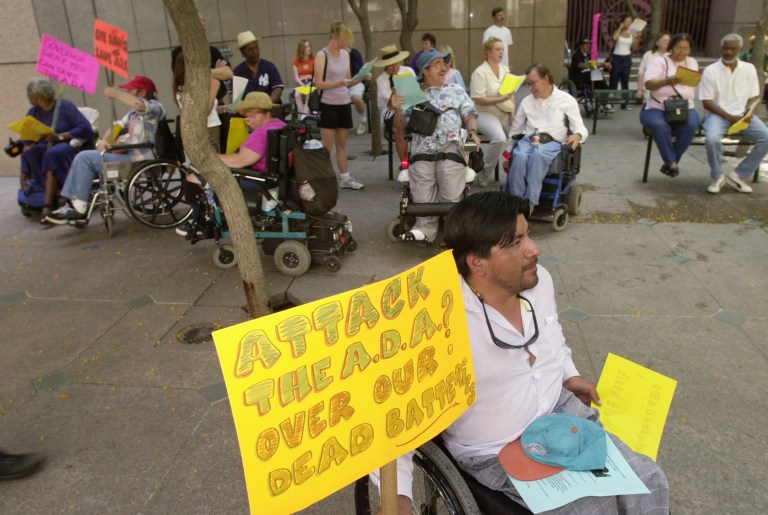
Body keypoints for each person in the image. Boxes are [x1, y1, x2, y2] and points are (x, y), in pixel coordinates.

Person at [376, 191, 671, 514]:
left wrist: (568, 373)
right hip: (496, 448)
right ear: (478, 262)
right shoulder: (437, 321)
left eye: (528, 234)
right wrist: (398, 498)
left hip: (558, 413)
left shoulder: (538, 281)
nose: (534, 248)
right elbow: (398, 416)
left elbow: (551, 331)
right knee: (591, 508)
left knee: (648, 480)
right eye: (516, 243)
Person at [390, 47, 481, 243]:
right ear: (425, 70)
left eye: (444, 63)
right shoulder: (412, 94)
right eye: (438, 63)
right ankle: (425, 229)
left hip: (451, 146)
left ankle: (452, 230)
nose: (444, 67)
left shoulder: (455, 91)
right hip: (422, 148)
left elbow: (470, 115)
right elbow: (401, 129)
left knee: (448, 176)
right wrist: (397, 109)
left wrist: (472, 131)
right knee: (422, 179)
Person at [46, 76, 165, 224]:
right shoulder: (133, 113)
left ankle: (79, 205)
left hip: (139, 159)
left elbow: (139, 104)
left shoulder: (155, 107)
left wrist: (115, 94)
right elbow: (118, 125)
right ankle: (76, 202)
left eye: (130, 90)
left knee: (85, 158)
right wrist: (105, 141)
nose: (127, 91)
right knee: (87, 156)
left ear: (142, 92)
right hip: (129, 154)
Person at [502, 64, 587, 210]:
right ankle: (515, 201)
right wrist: (507, 155)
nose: (530, 88)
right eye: (528, 84)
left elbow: (580, 127)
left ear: (545, 79)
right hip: (528, 140)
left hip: (552, 142)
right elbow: (516, 130)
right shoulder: (527, 101)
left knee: (538, 156)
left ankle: (529, 203)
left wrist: (577, 136)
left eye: (533, 83)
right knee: (520, 156)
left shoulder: (566, 100)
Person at [700, 33, 768, 195]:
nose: (729, 52)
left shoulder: (749, 69)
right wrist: (729, 117)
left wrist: (747, 111)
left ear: (740, 49)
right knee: (711, 139)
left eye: (733, 49)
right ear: (721, 48)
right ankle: (717, 176)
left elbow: (753, 96)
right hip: (717, 115)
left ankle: (738, 174)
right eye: (726, 48)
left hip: (742, 115)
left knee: (766, 137)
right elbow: (707, 102)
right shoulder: (711, 70)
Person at [21, 78, 94, 223]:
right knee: (30, 153)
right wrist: (24, 169)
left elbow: (85, 129)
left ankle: (49, 204)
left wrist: (59, 137)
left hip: (68, 143)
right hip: (45, 145)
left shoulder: (64, 106)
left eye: (30, 94)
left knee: (51, 154)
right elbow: (26, 139)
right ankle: (57, 194)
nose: (28, 97)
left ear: (39, 96)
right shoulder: (33, 112)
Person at [639, 33, 700, 178]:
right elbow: (648, 84)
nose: (681, 52)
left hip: (684, 106)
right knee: (660, 126)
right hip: (657, 106)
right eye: (678, 48)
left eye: (685, 49)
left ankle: (670, 162)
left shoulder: (692, 62)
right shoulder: (660, 61)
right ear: (671, 47)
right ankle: (672, 163)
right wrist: (666, 81)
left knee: (691, 125)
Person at [314, 20, 364, 190]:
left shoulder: (346, 54)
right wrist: (340, 82)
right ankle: (323, 179)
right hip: (328, 104)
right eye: (342, 39)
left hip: (344, 102)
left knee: (342, 144)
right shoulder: (322, 55)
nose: (344, 44)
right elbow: (319, 83)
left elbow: (348, 81)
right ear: (334, 36)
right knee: (327, 146)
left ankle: (345, 177)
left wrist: (362, 77)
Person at [171, 14, 231, 151]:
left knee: (225, 153)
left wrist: (205, 74)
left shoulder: (212, 51)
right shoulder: (179, 53)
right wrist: (215, 77)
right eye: (198, 21)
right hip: (202, 119)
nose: (202, 23)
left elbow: (228, 73)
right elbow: (186, 77)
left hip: (217, 110)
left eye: (204, 20)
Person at [470, 37, 516, 187]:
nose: (501, 52)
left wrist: (513, 112)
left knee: (521, 136)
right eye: (497, 49)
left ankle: (516, 172)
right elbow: (479, 100)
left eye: (502, 49)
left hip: (504, 111)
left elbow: (512, 93)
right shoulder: (480, 72)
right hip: (484, 112)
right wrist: (500, 99)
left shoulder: (505, 70)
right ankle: (483, 173)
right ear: (488, 52)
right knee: (499, 138)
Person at [375, 44, 413, 162]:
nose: (395, 67)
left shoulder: (408, 71)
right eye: (391, 64)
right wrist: (394, 93)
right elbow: (390, 104)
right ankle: (404, 163)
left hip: (410, 106)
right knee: (399, 128)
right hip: (390, 111)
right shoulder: (382, 79)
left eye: (396, 63)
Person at [233, 31, 284, 104]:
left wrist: (267, 104)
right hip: (248, 113)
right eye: (250, 49)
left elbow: (277, 88)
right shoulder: (238, 72)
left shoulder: (269, 66)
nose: (255, 51)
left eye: (256, 47)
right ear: (243, 52)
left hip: (270, 110)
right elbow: (236, 100)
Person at [608, 14, 640, 110]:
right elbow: (614, 38)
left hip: (626, 58)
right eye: (627, 21)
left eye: (630, 22)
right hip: (616, 58)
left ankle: (625, 103)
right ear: (622, 22)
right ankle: (610, 102)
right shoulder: (618, 31)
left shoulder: (632, 33)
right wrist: (620, 28)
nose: (628, 23)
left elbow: (634, 47)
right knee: (614, 80)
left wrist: (636, 37)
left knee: (625, 81)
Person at [636, 32, 671, 103]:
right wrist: (640, 90)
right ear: (657, 42)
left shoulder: (671, 56)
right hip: (649, 90)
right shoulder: (648, 55)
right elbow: (641, 73)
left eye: (668, 41)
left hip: (667, 91)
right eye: (664, 40)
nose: (666, 42)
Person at [346, 42, 369, 136]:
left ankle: (363, 120)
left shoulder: (354, 53)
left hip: (356, 82)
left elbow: (360, 73)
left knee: (356, 98)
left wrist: (351, 81)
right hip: (340, 84)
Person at [292, 39, 314, 117]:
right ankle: (304, 116)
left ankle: (303, 118)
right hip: (301, 83)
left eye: (309, 46)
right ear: (301, 49)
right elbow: (296, 77)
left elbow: (315, 76)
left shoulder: (314, 60)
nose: (309, 48)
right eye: (306, 47)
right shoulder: (296, 61)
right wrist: (302, 84)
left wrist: (309, 84)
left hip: (312, 83)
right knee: (297, 95)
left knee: (308, 95)